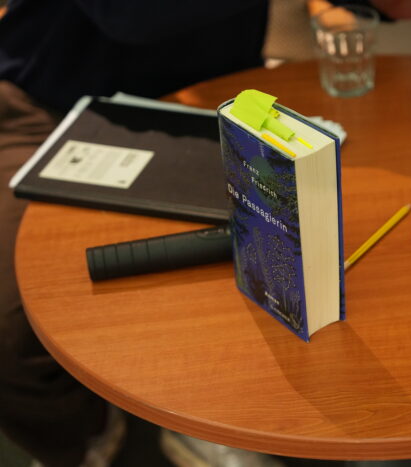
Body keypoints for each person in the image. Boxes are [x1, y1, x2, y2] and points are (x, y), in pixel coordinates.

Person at [0, 1, 272, 466]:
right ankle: (83, 435)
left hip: (208, 101)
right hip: (45, 104)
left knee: (265, 260)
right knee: (8, 322)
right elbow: (128, 15)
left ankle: (203, 412)